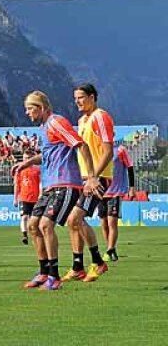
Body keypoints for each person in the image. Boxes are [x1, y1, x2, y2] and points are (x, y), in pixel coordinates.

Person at [11, 90, 96, 291]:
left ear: (41, 108)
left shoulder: (56, 122)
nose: (27, 113)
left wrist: (91, 177)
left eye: (30, 108)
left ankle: (54, 276)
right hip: (49, 186)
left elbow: (80, 145)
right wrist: (27, 163)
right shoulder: (45, 128)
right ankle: (43, 271)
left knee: (45, 225)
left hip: (65, 184)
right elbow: (48, 154)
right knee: (33, 225)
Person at [67, 83, 113, 282]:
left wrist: (94, 176)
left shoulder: (100, 117)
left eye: (81, 97)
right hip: (84, 178)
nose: (77, 101)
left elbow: (108, 151)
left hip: (97, 178)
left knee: (74, 219)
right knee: (73, 221)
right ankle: (78, 266)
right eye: (75, 98)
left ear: (92, 97)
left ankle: (98, 262)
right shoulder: (82, 120)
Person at [100, 139, 135, 262]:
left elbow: (130, 167)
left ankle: (109, 250)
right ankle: (110, 248)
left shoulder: (120, 150)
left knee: (112, 222)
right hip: (101, 193)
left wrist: (132, 188)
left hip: (116, 192)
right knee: (103, 224)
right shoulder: (98, 149)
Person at [13, 151, 41, 246]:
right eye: (24, 158)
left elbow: (40, 183)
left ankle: (35, 236)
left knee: (35, 220)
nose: (26, 160)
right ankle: (24, 235)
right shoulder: (19, 170)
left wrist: (41, 194)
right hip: (23, 198)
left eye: (28, 158)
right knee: (24, 217)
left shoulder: (37, 170)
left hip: (35, 198)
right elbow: (17, 185)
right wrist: (15, 198)